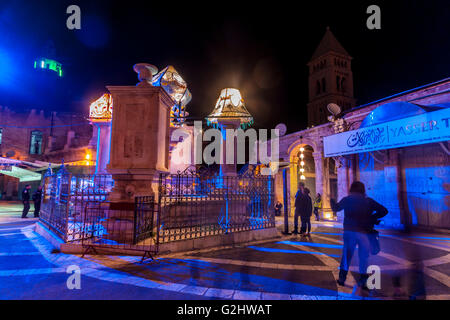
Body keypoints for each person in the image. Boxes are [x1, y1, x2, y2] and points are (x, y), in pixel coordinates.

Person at [331, 181, 388, 289]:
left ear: (352, 189)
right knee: (363, 257)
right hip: (364, 233)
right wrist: (372, 218)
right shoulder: (368, 201)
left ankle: (342, 279)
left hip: (349, 231)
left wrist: (331, 199)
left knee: (346, 256)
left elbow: (336, 208)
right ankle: (363, 281)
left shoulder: (347, 200)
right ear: (363, 190)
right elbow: (384, 210)